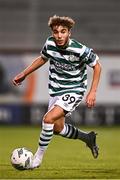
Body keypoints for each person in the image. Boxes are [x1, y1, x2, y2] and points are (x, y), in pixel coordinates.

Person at [12, 15, 102, 169]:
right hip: (56, 91)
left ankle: (37, 159)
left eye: (63, 31)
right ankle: (88, 138)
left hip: (74, 89)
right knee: (57, 128)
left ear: (69, 33)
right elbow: (42, 58)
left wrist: (92, 92)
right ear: (52, 33)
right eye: (56, 32)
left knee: (48, 120)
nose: (59, 36)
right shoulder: (49, 43)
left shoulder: (79, 49)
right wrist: (24, 74)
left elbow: (97, 66)